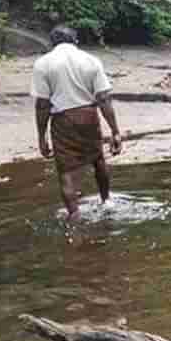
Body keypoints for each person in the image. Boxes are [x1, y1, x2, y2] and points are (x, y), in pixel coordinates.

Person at [31, 26, 123, 222]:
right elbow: (104, 98)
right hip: (88, 115)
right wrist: (115, 131)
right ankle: (106, 201)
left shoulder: (43, 64)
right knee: (98, 160)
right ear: (76, 41)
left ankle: (74, 214)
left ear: (52, 43)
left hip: (63, 119)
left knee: (65, 170)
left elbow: (42, 104)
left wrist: (41, 136)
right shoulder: (90, 60)